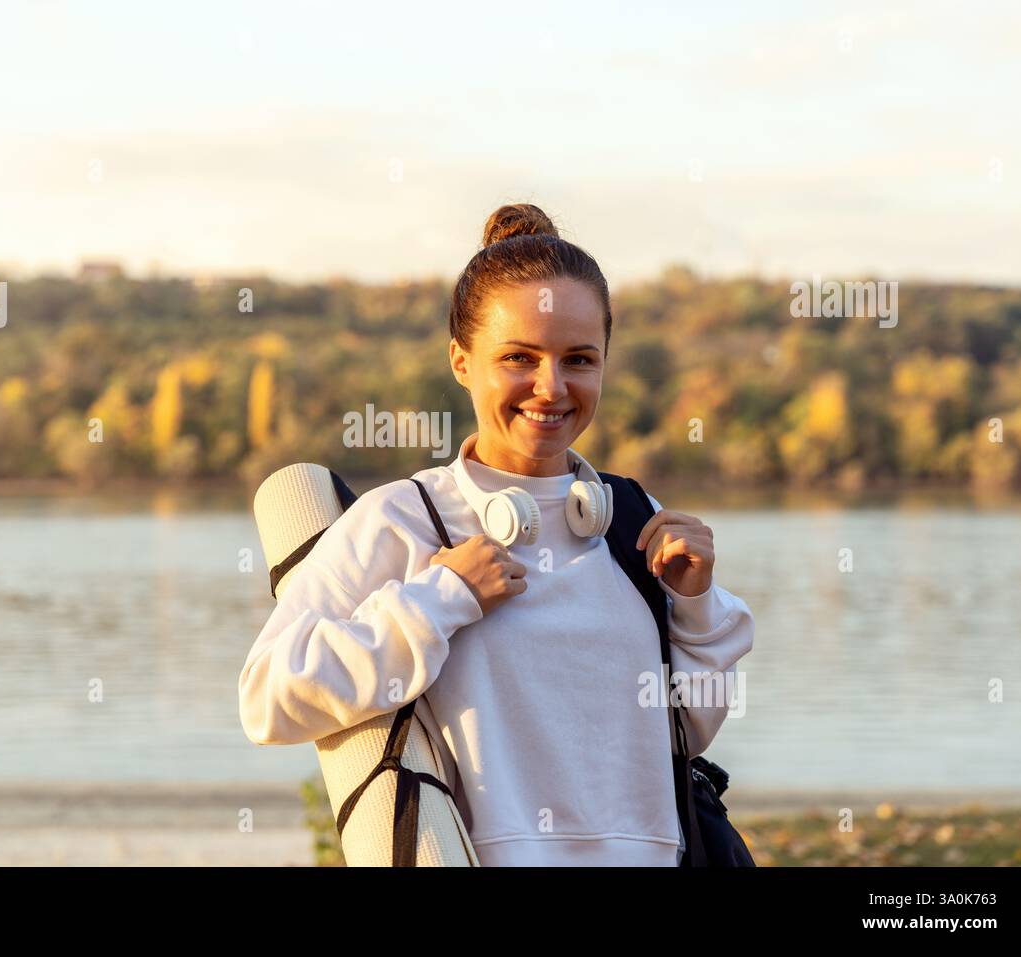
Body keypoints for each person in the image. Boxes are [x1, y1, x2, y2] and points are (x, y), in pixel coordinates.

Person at [238, 203, 755, 866]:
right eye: (519, 357)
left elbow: (685, 730)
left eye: (579, 358)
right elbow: (269, 697)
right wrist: (440, 597)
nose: (551, 386)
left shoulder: (629, 515)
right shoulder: (405, 519)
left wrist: (696, 607)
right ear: (461, 359)